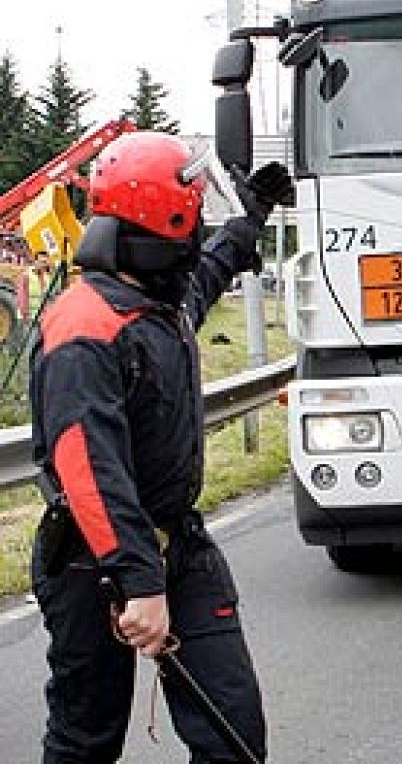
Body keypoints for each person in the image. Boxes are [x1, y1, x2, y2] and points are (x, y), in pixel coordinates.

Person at [29, 131, 292, 763]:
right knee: (85, 741)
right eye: (193, 211)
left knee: (233, 735)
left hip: (179, 546)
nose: (200, 224)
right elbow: (90, 470)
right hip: (95, 565)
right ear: (162, 218)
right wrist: (138, 581)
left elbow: (208, 271)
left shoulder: (157, 304)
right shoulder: (85, 327)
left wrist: (249, 216)